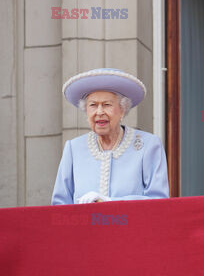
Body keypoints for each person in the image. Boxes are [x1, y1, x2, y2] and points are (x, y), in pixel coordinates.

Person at [52, 68, 169, 204]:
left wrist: (109, 202)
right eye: (93, 105)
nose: (99, 112)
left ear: (122, 110)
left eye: (107, 105)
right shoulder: (74, 148)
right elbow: (59, 204)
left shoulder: (148, 145)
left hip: (130, 225)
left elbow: (159, 201)